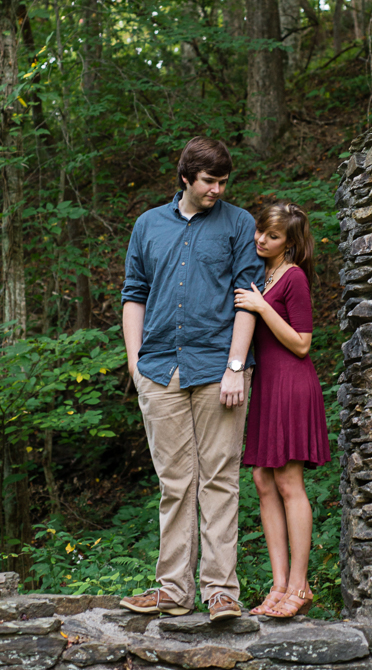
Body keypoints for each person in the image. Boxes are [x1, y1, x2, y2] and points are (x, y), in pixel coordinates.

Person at [119, 137, 262, 621]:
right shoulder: (147, 226)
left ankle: (221, 591)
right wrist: (135, 362)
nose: (216, 190)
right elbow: (133, 293)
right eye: (208, 181)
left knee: (219, 481)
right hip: (158, 369)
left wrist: (236, 366)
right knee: (175, 483)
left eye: (223, 182)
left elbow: (249, 295)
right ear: (186, 177)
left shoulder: (239, 224)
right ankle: (172, 591)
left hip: (219, 369)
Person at [234, 201, 330, 618]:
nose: (260, 239)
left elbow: (303, 342)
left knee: (290, 483)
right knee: (261, 478)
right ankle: (277, 585)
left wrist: (261, 307)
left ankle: (300, 585)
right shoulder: (264, 274)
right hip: (268, 387)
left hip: (292, 384)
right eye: (260, 231)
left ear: (289, 245)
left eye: (272, 236)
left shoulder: (292, 279)